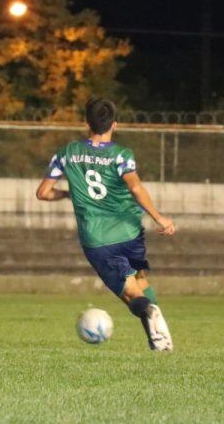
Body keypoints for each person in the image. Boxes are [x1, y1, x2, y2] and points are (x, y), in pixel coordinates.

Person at [36, 98, 175, 351]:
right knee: (140, 282)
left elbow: (43, 192)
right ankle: (160, 340)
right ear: (115, 124)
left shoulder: (66, 154)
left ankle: (150, 312)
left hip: (99, 240)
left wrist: (69, 194)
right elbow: (135, 187)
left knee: (133, 296)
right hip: (130, 231)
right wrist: (159, 217)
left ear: (86, 123)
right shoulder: (122, 155)